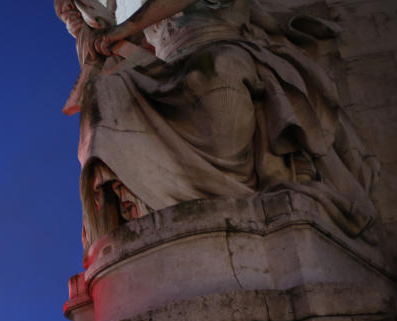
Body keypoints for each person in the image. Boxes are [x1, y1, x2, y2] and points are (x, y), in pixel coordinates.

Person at [55, 0, 379, 255]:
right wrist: (80, 22)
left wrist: (121, 30)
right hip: (169, 72)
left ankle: (224, 193)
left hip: (221, 50)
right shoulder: (135, 11)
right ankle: (136, 211)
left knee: (219, 71)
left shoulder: (144, 14)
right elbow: (102, 24)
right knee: (104, 94)